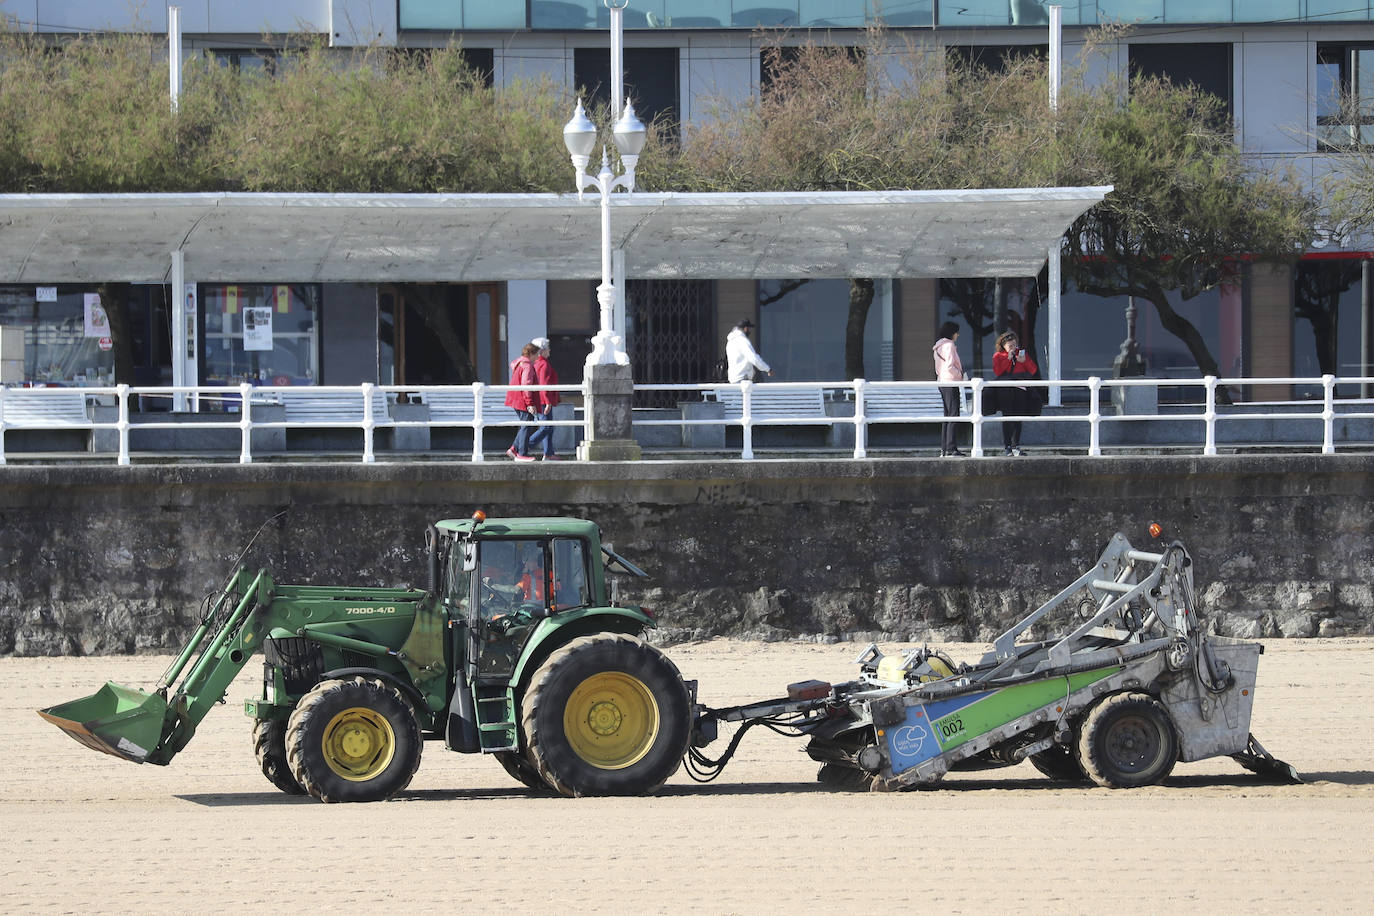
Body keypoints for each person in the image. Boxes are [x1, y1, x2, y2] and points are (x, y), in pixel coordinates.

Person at [992, 330, 1039, 456]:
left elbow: (1033, 370)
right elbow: (998, 372)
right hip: (1005, 389)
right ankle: (1007, 446)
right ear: (1003, 346)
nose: (1013, 348)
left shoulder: (1021, 355)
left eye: (1014, 345)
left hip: (1020, 389)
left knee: (1018, 417)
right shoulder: (998, 356)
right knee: (1007, 417)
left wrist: (1024, 361)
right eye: (1010, 346)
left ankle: (1016, 445)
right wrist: (1008, 358)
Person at [932, 321, 965, 457]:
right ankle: (951, 448)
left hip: (942, 382)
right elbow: (950, 366)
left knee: (947, 415)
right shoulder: (949, 345)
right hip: (951, 382)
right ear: (952, 333)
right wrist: (961, 375)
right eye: (957, 332)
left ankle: (944, 449)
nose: (958, 335)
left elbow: (939, 367)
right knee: (953, 415)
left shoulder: (938, 346)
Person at [525, 337, 562, 461]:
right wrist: (547, 402)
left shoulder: (536, 363)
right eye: (547, 348)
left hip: (539, 399)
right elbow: (544, 384)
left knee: (548, 427)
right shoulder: (543, 364)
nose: (550, 351)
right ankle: (523, 446)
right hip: (543, 400)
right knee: (546, 427)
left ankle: (548, 453)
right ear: (542, 351)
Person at [505, 342, 539, 461]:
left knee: (526, 423)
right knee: (526, 425)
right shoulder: (528, 365)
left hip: (516, 398)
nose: (537, 357)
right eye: (536, 354)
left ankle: (514, 449)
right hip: (522, 400)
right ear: (531, 354)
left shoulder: (520, 363)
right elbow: (526, 384)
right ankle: (521, 453)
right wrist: (529, 403)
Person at [725, 319, 772, 383]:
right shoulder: (742, 341)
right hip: (742, 379)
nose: (750, 332)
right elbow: (753, 358)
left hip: (733, 379)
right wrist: (767, 369)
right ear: (745, 328)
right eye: (749, 329)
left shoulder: (730, 342)